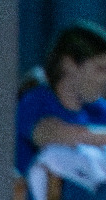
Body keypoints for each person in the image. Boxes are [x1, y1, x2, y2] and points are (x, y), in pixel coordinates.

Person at [15, 21, 106, 175]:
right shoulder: (35, 101)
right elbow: (48, 134)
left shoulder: (97, 109)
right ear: (69, 64)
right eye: (100, 69)